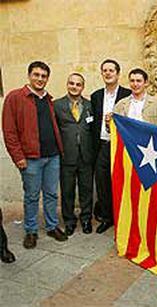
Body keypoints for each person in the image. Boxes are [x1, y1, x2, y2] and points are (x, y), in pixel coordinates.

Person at [2, 61, 67, 249]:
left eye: (44, 76)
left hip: (53, 156)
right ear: (29, 75)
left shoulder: (48, 99)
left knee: (51, 194)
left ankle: (52, 226)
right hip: (30, 158)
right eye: (36, 75)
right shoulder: (15, 97)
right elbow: (9, 131)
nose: (40, 79)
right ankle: (31, 230)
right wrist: (18, 157)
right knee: (31, 196)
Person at [91, 59, 131, 234]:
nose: (108, 73)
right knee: (102, 181)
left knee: (123, 181)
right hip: (102, 144)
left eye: (111, 70)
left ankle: (123, 217)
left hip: (122, 145)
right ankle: (107, 217)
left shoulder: (128, 94)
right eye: (104, 70)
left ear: (117, 73)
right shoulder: (96, 96)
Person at [54, 73, 94, 236]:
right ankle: (69, 221)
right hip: (66, 156)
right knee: (67, 190)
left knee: (86, 190)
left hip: (86, 155)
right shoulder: (56, 105)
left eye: (78, 84)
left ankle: (85, 219)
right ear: (67, 84)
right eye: (71, 83)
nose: (74, 87)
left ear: (82, 87)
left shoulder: (91, 105)